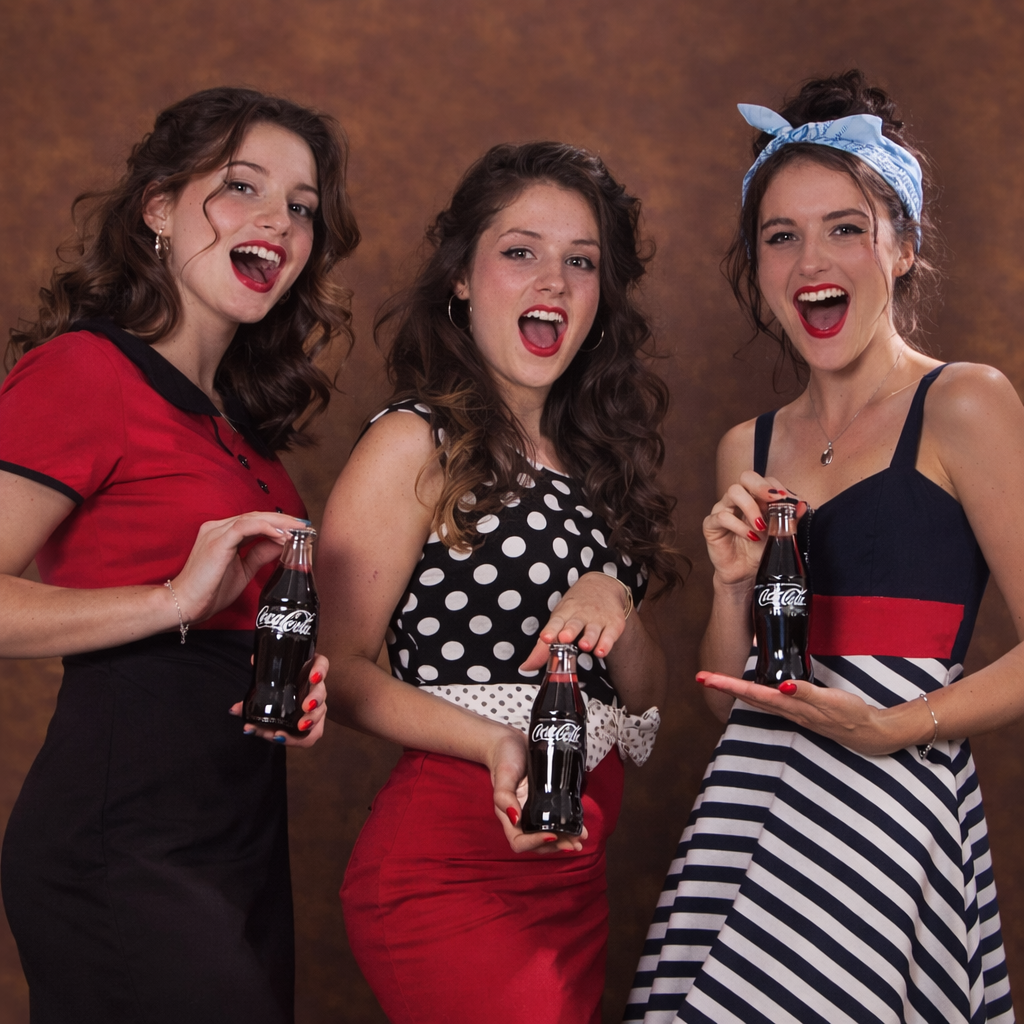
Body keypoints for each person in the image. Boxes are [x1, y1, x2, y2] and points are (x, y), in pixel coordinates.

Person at [626, 70, 1019, 1024]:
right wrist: (732, 589)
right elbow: (734, 703)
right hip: (754, 805)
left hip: (893, 812)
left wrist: (898, 727)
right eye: (781, 235)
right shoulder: (747, 447)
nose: (812, 260)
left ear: (903, 247)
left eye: (846, 228)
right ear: (756, 264)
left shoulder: (963, 403)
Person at [0, 87, 359, 1024]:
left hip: (241, 831)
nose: (276, 221)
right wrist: (171, 599)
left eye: (301, 207)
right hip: (124, 837)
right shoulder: (83, 371)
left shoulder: (242, 434)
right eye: (242, 186)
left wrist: (291, 685)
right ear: (158, 207)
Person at [317, 141, 681, 1024]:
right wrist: (495, 745)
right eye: (520, 251)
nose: (553, 280)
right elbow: (338, 666)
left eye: (581, 261)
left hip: (572, 872)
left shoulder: (597, 471)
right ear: (461, 280)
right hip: (454, 863)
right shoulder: (415, 440)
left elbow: (643, 704)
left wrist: (615, 604)